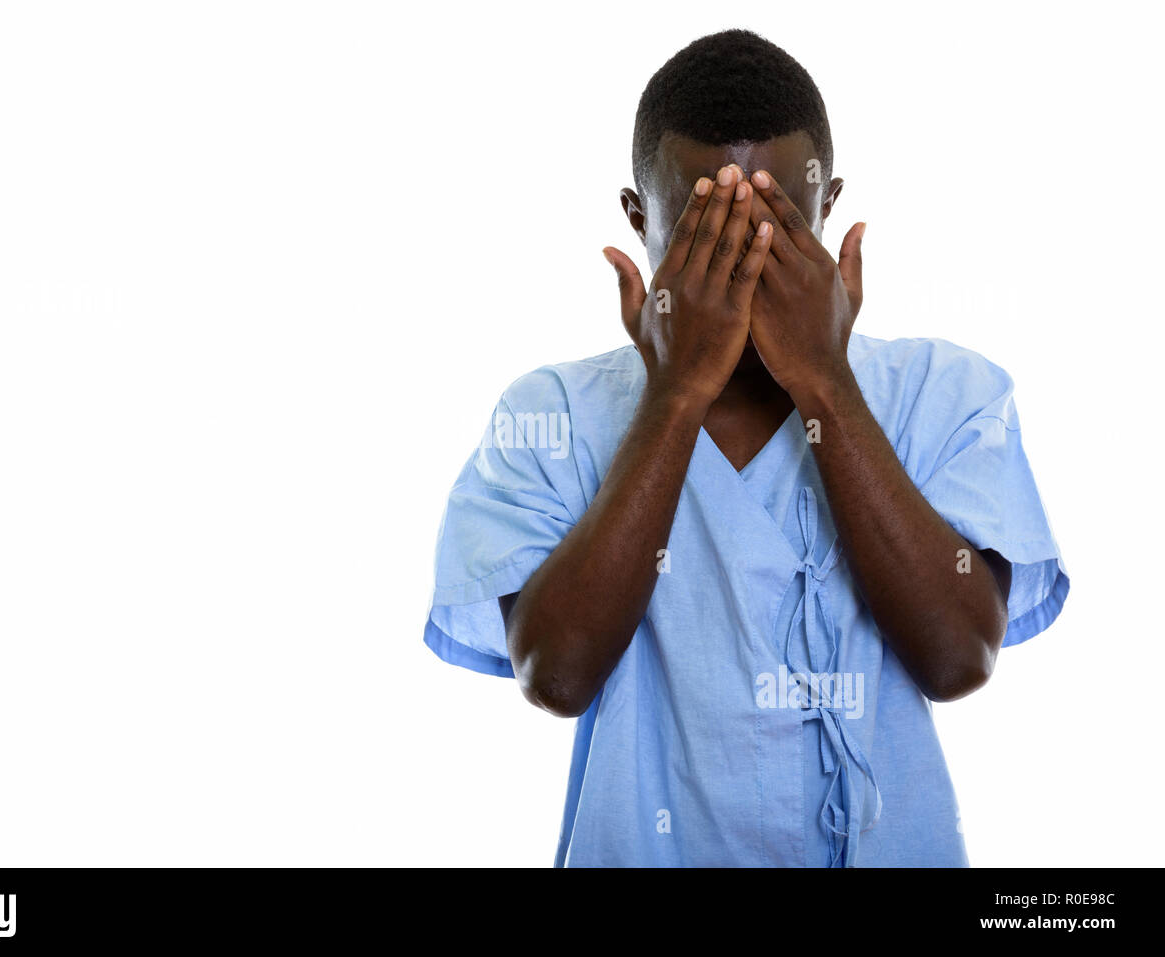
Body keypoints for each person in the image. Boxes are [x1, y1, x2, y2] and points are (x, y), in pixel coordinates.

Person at [422, 28, 1068, 867]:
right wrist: (675, 393)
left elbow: (959, 656)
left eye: (772, 225)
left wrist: (826, 381)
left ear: (826, 205)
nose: (742, 257)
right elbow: (555, 673)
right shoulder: (552, 414)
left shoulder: (945, 393)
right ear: (638, 215)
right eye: (705, 228)